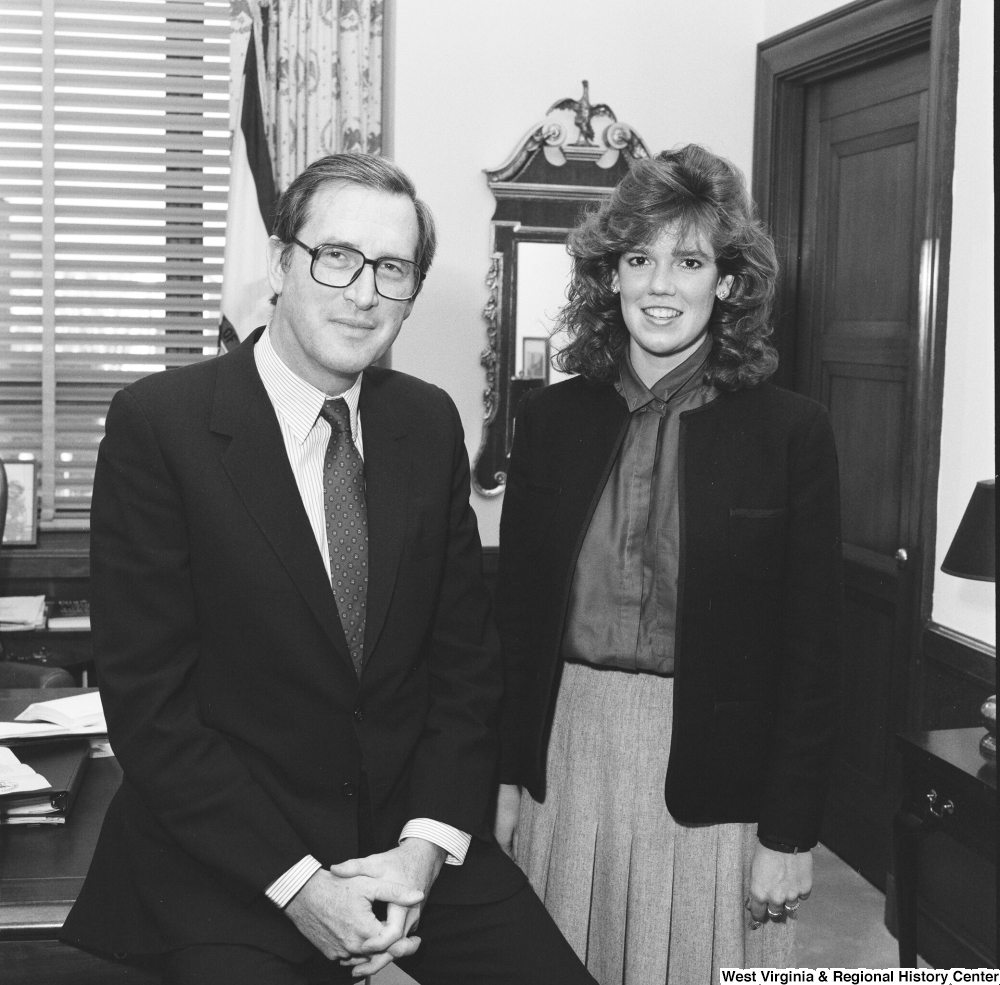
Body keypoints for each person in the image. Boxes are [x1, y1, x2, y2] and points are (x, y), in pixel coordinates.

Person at [61, 153, 596, 985]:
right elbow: (152, 712)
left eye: (393, 268)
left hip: (407, 844)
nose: (364, 292)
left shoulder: (425, 423)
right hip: (233, 861)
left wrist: (423, 849)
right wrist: (301, 885)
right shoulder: (158, 428)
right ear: (281, 263)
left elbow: (463, 670)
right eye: (337, 256)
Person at [493, 144, 843, 984]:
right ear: (608, 276)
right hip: (566, 757)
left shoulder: (791, 432)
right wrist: (500, 777)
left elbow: (815, 652)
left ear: (726, 283)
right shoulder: (548, 419)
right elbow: (511, 622)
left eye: (688, 261)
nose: (659, 284)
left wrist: (790, 833)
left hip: (718, 774)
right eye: (638, 258)